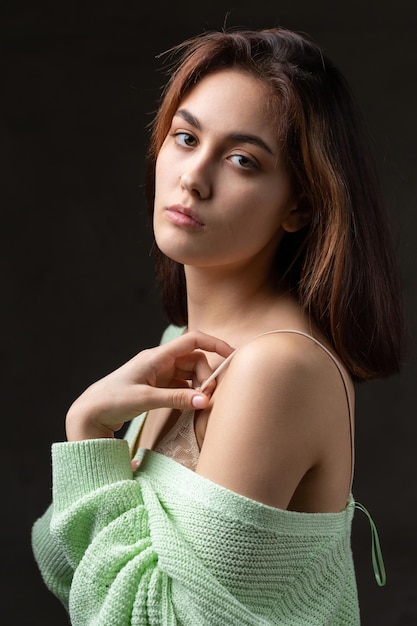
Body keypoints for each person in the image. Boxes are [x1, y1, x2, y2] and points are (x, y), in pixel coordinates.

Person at [32, 27, 406, 625]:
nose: (193, 177)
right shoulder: (177, 347)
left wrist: (87, 437)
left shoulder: (278, 369)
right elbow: (77, 574)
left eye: (241, 160)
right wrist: (94, 441)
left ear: (301, 204)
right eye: (185, 137)